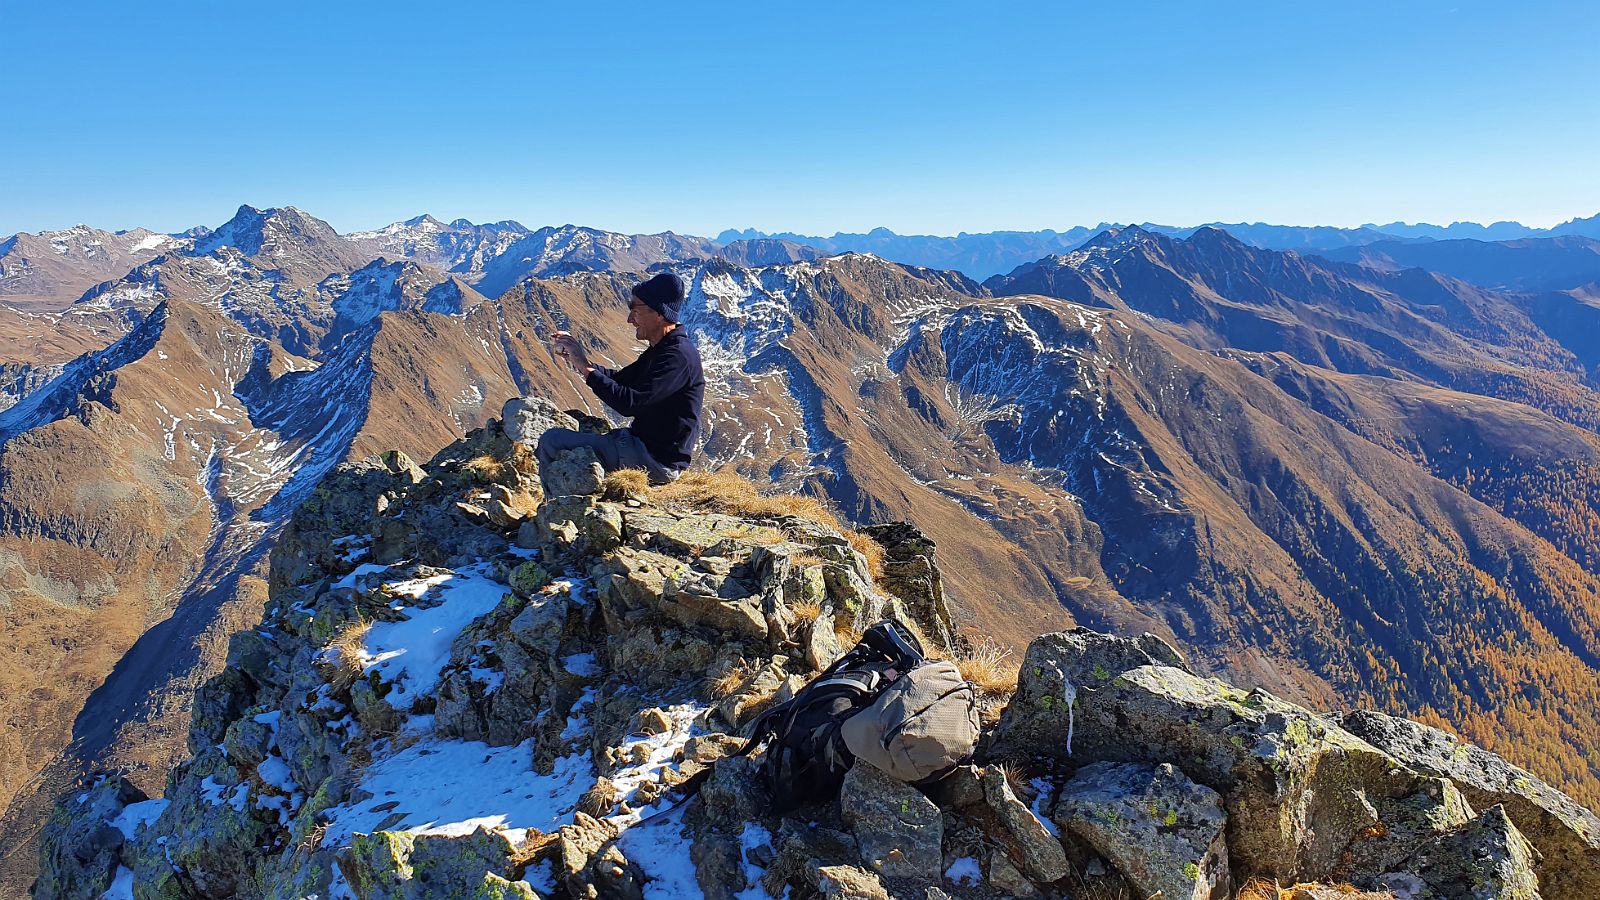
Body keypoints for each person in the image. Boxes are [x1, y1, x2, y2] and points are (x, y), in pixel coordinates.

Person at [536, 271, 705, 487]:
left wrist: (586, 368)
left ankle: (557, 511)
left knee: (552, 441)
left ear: (660, 314)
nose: (629, 319)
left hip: (653, 460)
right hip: (643, 448)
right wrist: (580, 360)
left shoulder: (677, 356)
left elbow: (628, 403)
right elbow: (621, 379)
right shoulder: (665, 349)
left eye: (635, 310)